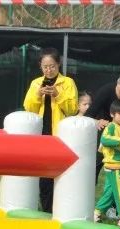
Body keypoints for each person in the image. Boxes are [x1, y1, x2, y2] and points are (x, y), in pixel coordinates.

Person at [22, 47, 77, 213]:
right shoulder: (36, 83)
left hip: (60, 135)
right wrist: (38, 94)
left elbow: (72, 109)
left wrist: (57, 95)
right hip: (41, 134)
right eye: (45, 66)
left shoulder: (67, 82)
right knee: (44, 175)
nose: (49, 70)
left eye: (52, 66)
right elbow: (28, 108)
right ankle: (46, 209)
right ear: (40, 66)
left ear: (58, 64)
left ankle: (62, 207)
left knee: (61, 173)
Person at [85, 67, 120, 184]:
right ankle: (86, 196)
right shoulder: (105, 92)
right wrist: (97, 122)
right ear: (118, 83)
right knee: (93, 167)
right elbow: (88, 115)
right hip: (106, 132)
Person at [94, 100, 120, 229]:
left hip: (113, 167)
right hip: (115, 167)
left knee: (110, 193)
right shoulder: (111, 127)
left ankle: (96, 214)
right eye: (119, 114)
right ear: (112, 114)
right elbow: (105, 139)